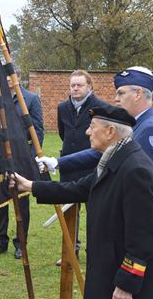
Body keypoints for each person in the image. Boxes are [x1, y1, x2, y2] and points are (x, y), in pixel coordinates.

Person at [14, 105, 153, 298]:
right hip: (108, 267)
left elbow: (143, 235)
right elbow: (78, 188)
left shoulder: (135, 170)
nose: (87, 131)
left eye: (92, 126)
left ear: (110, 131)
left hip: (127, 283)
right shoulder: (114, 159)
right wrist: (29, 186)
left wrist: (127, 284)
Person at [39, 67, 153, 247]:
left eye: (121, 93)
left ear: (138, 94)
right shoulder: (136, 123)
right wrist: (58, 162)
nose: (116, 99)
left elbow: (146, 184)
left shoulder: (149, 129)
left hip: (142, 228)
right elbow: (101, 152)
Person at [54, 69, 108, 265]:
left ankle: (94, 251)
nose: (75, 89)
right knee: (69, 211)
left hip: (93, 165)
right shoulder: (62, 107)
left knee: (95, 210)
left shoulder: (101, 107)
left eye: (79, 85)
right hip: (68, 165)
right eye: (72, 85)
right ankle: (70, 250)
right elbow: (63, 132)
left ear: (89, 87)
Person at [0, 67, 44, 259]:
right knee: (0, 199)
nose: (6, 80)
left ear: (18, 77)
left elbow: (37, 130)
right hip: (0, 157)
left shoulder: (30, 99)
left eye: (10, 76)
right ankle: (0, 240)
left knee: (21, 202)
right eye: (4, 76)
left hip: (22, 157)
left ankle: (20, 243)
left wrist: (32, 157)